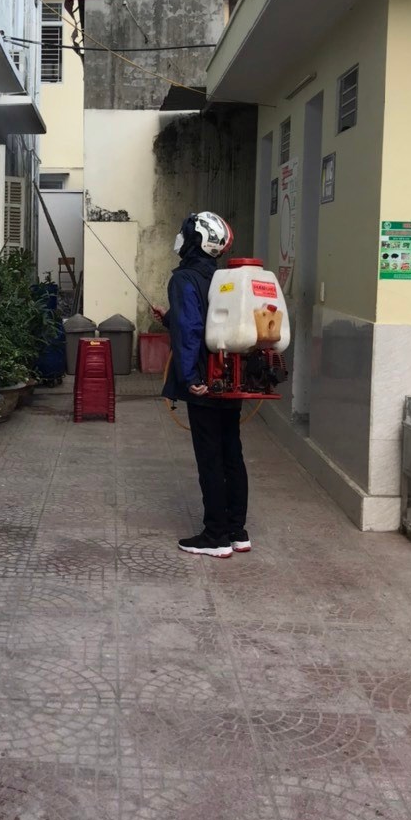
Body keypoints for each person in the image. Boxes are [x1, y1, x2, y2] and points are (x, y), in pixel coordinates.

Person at [152, 211, 249, 559]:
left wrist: (191, 378)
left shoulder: (185, 278)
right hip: (230, 377)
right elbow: (213, 321)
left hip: (204, 382)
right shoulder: (224, 278)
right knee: (231, 453)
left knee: (210, 458)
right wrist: (170, 318)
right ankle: (237, 531)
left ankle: (215, 536)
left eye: (184, 232)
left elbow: (192, 329)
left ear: (195, 240)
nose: (180, 237)